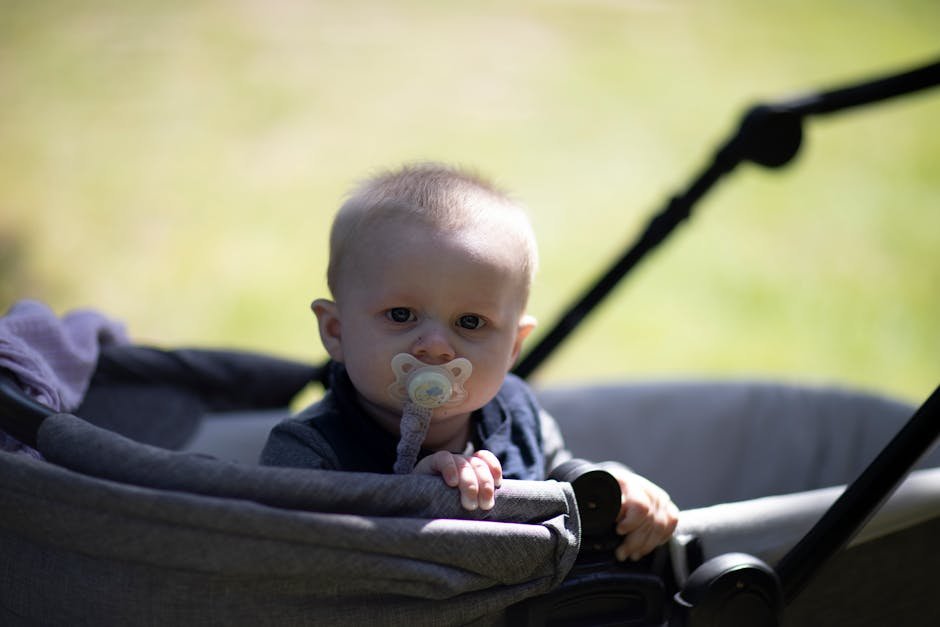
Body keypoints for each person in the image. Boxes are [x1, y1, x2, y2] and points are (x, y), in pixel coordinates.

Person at [260, 162, 677, 561]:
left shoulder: (517, 415)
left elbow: (555, 472)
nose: (437, 347)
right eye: (401, 315)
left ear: (513, 348)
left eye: (471, 322)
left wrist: (612, 487)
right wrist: (412, 502)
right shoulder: (308, 453)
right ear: (336, 331)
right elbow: (295, 568)